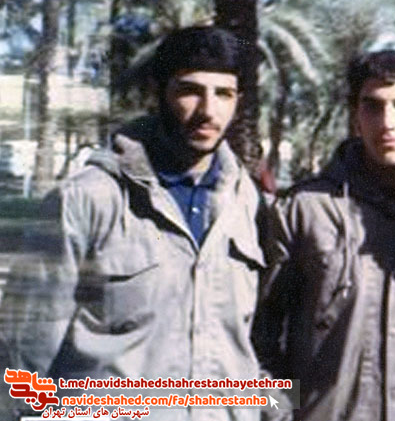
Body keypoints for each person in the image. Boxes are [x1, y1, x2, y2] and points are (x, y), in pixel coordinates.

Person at [0, 26, 269, 421]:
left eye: (224, 94)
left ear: (238, 101)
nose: (209, 111)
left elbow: (254, 345)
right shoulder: (86, 199)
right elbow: (25, 350)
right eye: (190, 91)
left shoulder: (247, 202)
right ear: (157, 92)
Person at [255, 50, 395, 421]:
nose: (387, 122)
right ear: (356, 117)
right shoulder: (304, 210)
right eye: (373, 106)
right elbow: (257, 336)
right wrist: (280, 412)